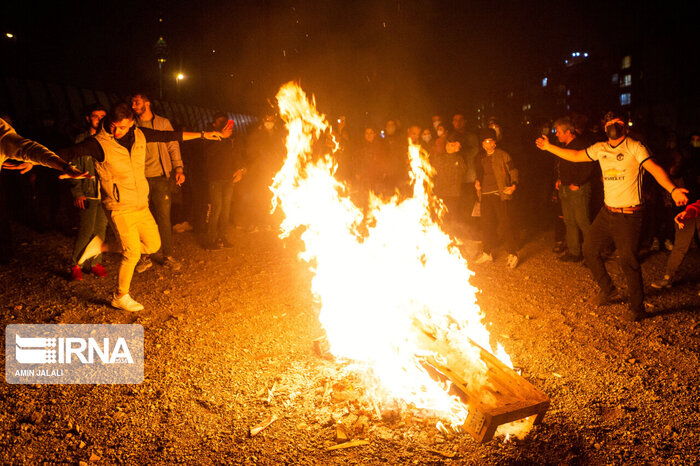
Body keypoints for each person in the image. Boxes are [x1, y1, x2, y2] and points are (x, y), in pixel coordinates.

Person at [59, 103, 228, 312]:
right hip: (118, 206)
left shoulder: (140, 134)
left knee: (152, 246)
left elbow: (169, 136)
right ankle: (120, 296)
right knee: (132, 253)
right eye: (113, 126)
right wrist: (39, 160)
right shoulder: (99, 143)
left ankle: (100, 247)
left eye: (122, 127)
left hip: (141, 204)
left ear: (132, 123)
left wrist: (203, 134)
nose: (116, 131)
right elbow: (69, 151)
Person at [536, 111, 689, 321]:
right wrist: (548, 147)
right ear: (604, 127)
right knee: (589, 250)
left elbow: (654, 169)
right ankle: (608, 290)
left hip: (630, 215)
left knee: (628, 261)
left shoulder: (635, 147)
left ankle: (638, 309)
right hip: (607, 212)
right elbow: (575, 155)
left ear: (624, 126)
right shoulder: (601, 148)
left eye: (616, 122)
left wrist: (673, 190)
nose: (612, 126)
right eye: (608, 123)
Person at [131, 93, 184, 271]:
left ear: (147, 102)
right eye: (132, 103)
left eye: (136, 102)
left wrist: (178, 168)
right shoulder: (132, 124)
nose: (133, 105)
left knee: (163, 218)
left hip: (161, 177)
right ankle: (144, 256)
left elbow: (173, 144)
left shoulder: (162, 123)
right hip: (139, 179)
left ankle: (167, 256)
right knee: (141, 218)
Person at [651, 132, 700, 289]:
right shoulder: (685, 158)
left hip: (691, 204)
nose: (695, 143)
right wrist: (689, 210)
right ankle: (668, 277)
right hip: (689, 205)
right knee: (680, 245)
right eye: (693, 140)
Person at [69, 104, 109, 280]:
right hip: (88, 190)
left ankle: (94, 263)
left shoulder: (109, 139)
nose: (99, 120)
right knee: (86, 229)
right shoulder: (81, 139)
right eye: (95, 116)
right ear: (88, 118)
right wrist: (77, 191)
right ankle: (75, 264)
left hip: (106, 192)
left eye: (102, 116)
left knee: (100, 230)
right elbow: (73, 166)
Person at [474, 128, 520, 268]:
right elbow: (479, 174)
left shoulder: (503, 155)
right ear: (482, 144)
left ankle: (513, 254)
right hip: (485, 195)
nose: (488, 145)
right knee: (486, 225)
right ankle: (487, 253)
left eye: (490, 141)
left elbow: (513, 171)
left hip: (500, 194)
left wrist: (513, 185)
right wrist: (477, 183)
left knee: (505, 223)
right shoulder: (480, 158)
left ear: (495, 142)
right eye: (485, 142)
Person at [553, 116, 595, 262]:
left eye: (559, 132)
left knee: (582, 221)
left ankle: (594, 255)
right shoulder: (564, 147)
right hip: (565, 188)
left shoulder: (580, 145)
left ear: (568, 132)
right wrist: (560, 179)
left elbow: (589, 166)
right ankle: (574, 252)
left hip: (579, 189)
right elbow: (564, 166)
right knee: (569, 221)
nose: (556, 134)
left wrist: (578, 182)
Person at [201, 113, 246, 250]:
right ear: (214, 124)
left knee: (226, 208)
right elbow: (208, 154)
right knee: (217, 208)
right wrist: (222, 137)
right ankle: (211, 240)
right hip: (215, 177)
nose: (223, 124)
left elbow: (238, 154)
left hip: (229, 178)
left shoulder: (234, 137)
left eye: (225, 121)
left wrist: (240, 170)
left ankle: (222, 237)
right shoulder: (210, 136)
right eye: (219, 121)